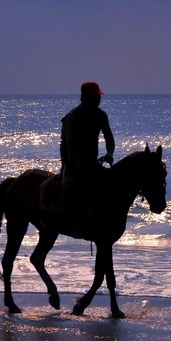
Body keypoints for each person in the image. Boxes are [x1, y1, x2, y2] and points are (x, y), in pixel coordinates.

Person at [59, 81, 115, 234]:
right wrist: (79, 167)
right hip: (72, 163)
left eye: (99, 96)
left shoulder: (101, 115)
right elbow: (71, 146)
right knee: (69, 185)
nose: (98, 99)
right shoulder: (73, 117)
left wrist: (109, 154)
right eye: (95, 96)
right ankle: (73, 222)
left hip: (92, 162)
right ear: (84, 97)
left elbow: (109, 138)